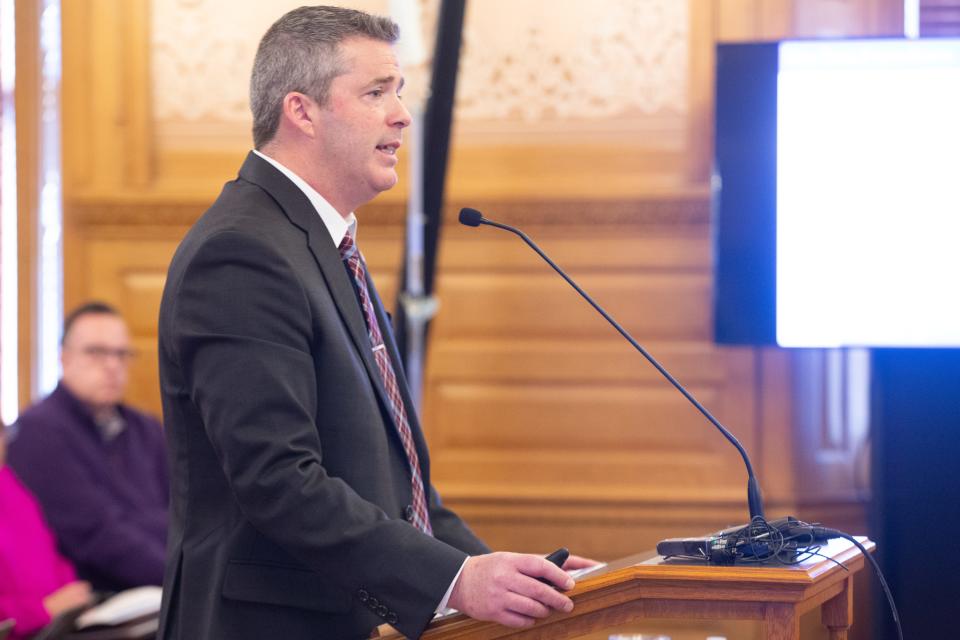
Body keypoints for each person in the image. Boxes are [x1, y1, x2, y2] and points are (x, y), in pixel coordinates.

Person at [157, 6, 595, 640]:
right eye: (375, 92)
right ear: (301, 111)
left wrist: (502, 575)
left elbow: (400, 492)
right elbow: (278, 481)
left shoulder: (323, 248)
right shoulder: (243, 253)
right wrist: (454, 581)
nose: (402, 115)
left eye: (400, 92)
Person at [8, 302, 169, 592]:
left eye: (121, 354)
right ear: (64, 358)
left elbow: (182, 513)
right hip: (98, 598)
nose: (112, 365)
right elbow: (93, 532)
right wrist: (178, 580)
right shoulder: (38, 431)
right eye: (96, 352)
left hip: (157, 589)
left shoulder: (145, 428)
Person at [0, 421, 95, 640]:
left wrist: (71, 590)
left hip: (53, 627)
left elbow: (47, 550)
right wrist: (41, 609)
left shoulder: (9, 482)